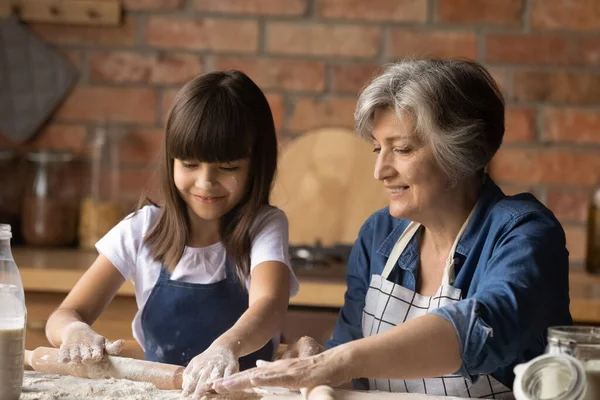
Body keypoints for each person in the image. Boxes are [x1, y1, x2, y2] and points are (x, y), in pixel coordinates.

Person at [211, 59, 572, 399]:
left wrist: (334, 363)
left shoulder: (523, 233)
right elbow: (353, 359)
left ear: (461, 152)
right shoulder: (379, 234)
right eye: (376, 149)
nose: (380, 170)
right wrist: (316, 357)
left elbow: (482, 332)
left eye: (401, 149)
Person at [45, 70, 298, 399]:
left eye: (228, 167)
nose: (205, 183)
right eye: (190, 164)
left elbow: (269, 305)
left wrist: (224, 349)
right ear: (171, 160)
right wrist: (74, 331)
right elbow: (64, 315)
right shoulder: (140, 230)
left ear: (257, 165)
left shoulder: (263, 226)